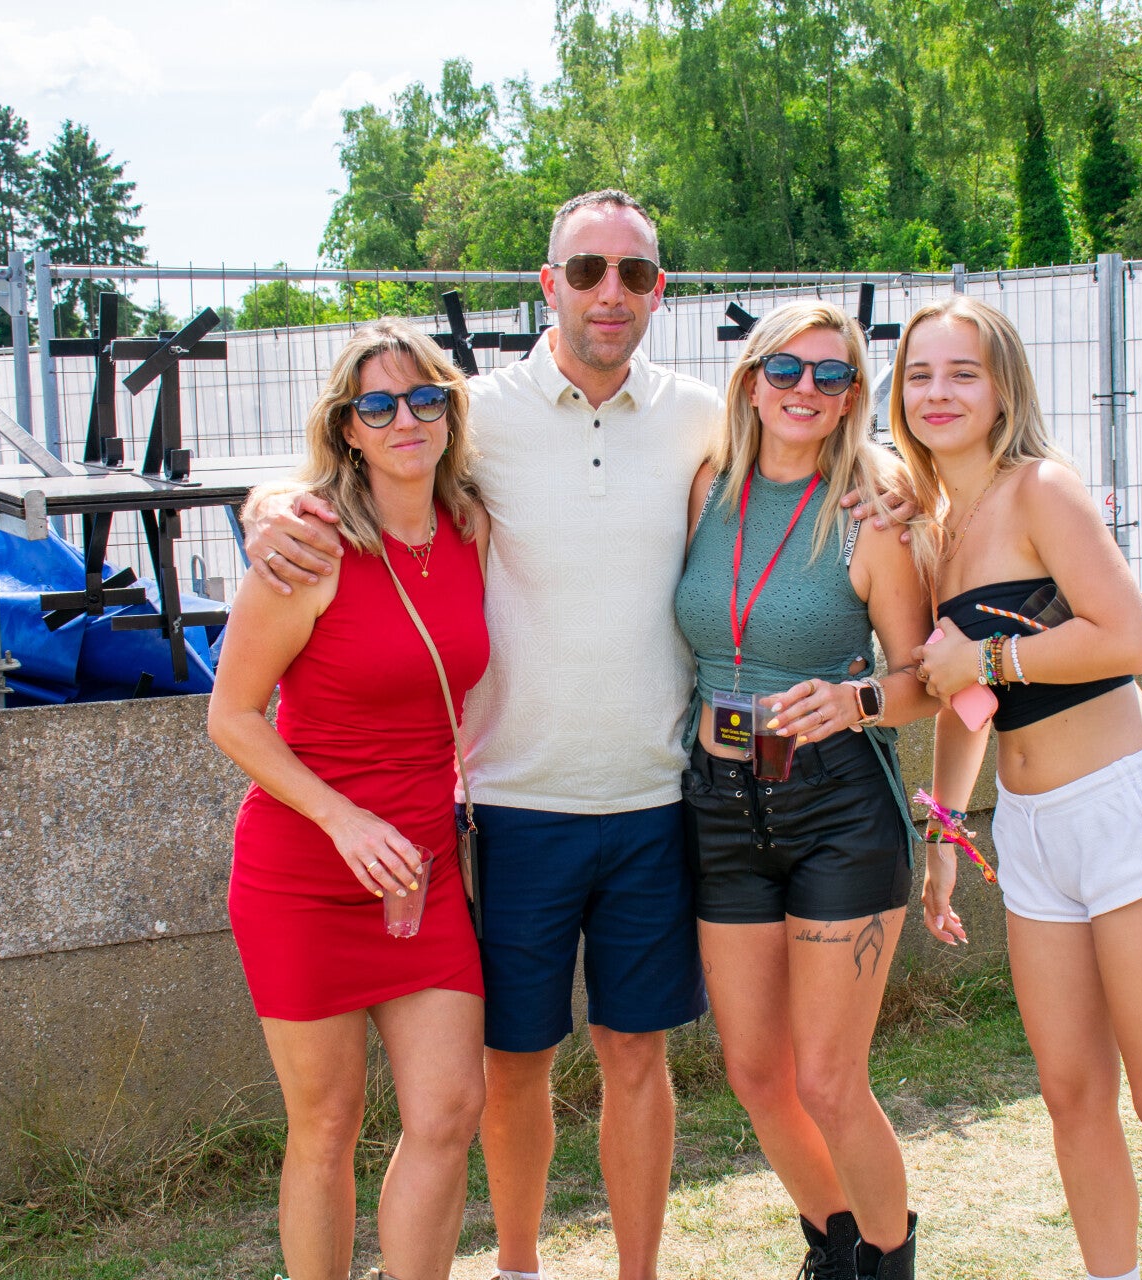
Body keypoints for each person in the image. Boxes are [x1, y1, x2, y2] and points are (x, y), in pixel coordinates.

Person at [242, 191, 910, 1280]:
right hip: (513, 804)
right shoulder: (471, 413)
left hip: (657, 799)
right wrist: (267, 504)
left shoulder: (699, 416)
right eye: (587, 270)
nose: (611, 292)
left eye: (634, 273)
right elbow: (354, 458)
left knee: (637, 1057)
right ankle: (520, 1266)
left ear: (659, 290)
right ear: (548, 283)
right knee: (513, 1067)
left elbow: (813, 445)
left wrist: (892, 486)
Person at [898, 296, 1142, 1280]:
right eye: (920, 374)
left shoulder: (1041, 490)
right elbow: (964, 705)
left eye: (962, 372)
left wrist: (989, 659)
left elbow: (1126, 637)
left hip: (1127, 810)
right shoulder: (937, 527)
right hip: (1032, 834)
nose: (938, 392)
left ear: (1003, 387)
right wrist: (944, 836)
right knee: (1070, 1095)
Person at [208, 318, 490, 1280]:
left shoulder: (472, 527)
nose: (406, 418)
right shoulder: (310, 547)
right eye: (378, 404)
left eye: (425, 398)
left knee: (449, 1111)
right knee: (326, 1124)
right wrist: (342, 817)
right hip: (304, 872)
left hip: (423, 867)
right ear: (347, 428)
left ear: (451, 411)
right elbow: (231, 716)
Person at [673, 300, 936, 1280]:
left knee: (828, 1078)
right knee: (756, 1073)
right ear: (751, 382)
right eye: (786, 369)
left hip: (836, 804)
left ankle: (890, 1265)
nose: (806, 390)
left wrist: (856, 699)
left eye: (833, 375)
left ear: (853, 396)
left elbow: (922, 680)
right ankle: (838, 1249)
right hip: (718, 800)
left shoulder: (870, 511)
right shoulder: (707, 489)